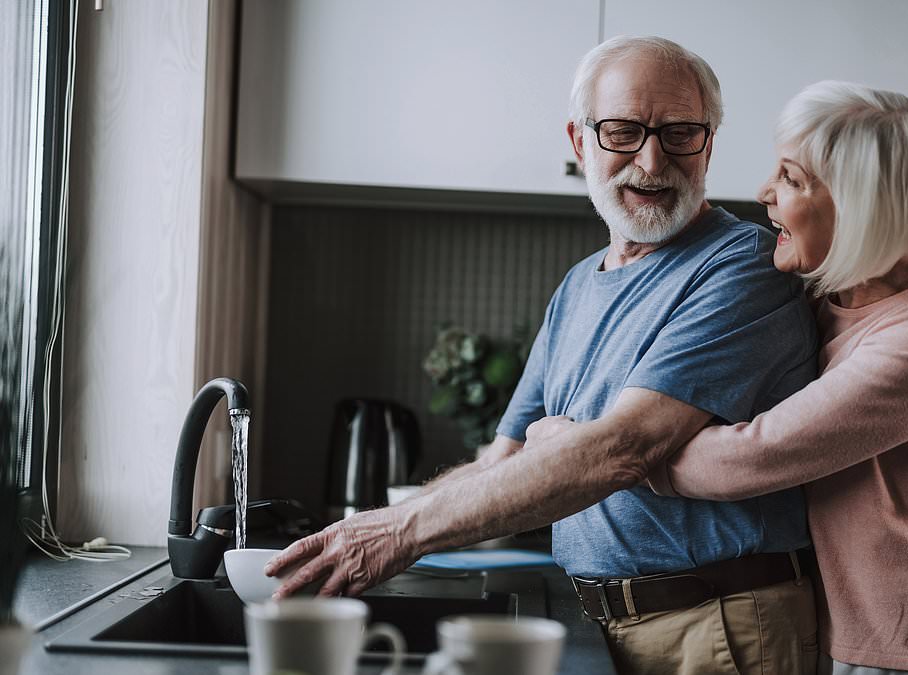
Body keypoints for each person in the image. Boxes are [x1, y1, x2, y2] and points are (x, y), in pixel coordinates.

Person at [267, 36, 822, 674]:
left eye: (679, 134)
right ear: (579, 141)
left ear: (709, 143)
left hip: (719, 627)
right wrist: (369, 530)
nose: (651, 160)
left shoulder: (742, 267)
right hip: (608, 620)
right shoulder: (579, 285)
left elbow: (625, 448)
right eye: (621, 132)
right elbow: (502, 460)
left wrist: (399, 534)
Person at [535, 80, 908, 674]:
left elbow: (752, 457)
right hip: (856, 630)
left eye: (792, 179)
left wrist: (600, 450)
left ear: (858, 202)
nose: (765, 192)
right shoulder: (835, 297)